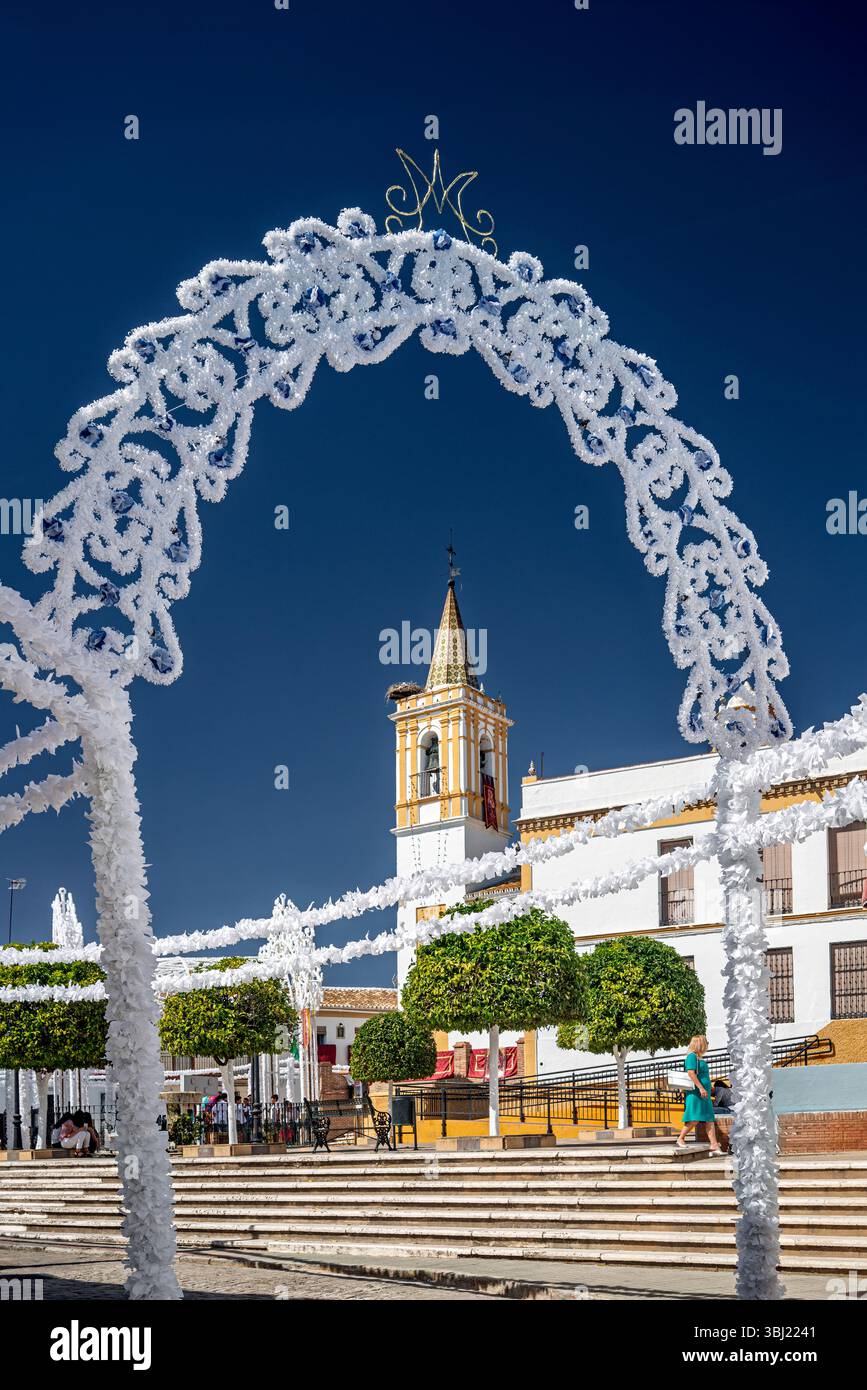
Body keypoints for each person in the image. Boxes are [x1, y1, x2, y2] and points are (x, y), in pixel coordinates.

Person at [676, 1035, 721, 1153]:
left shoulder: (698, 1057)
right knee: (694, 1118)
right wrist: (701, 1088)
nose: (707, 1045)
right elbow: (691, 1073)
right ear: (700, 1043)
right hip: (697, 1093)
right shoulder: (691, 1057)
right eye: (706, 1042)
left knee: (709, 1118)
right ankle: (680, 1138)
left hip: (703, 1093)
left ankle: (714, 1144)